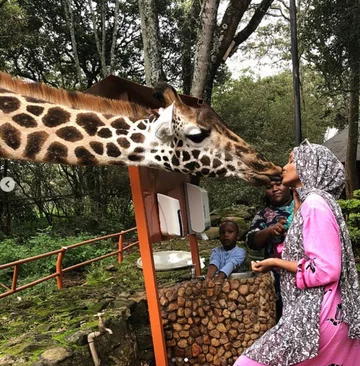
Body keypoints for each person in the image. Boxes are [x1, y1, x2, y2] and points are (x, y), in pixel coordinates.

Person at [234, 142, 360, 366]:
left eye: (292, 160)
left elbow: (325, 269)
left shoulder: (314, 204)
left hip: (319, 308)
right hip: (329, 307)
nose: (285, 166)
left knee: (248, 363)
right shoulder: (315, 202)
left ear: (309, 166)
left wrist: (276, 261)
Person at [246, 183, 294, 321]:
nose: (274, 189)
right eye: (268, 186)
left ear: (289, 186)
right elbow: (251, 242)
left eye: (279, 184)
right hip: (275, 281)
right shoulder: (263, 215)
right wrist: (269, 231)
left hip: (302, 273)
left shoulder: (302, 206)